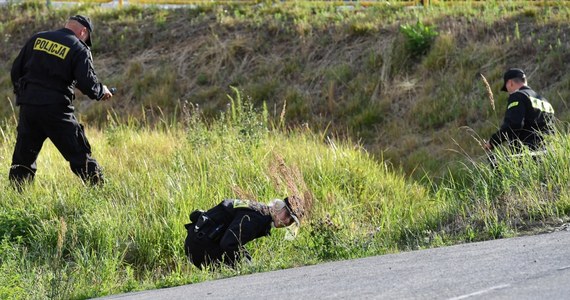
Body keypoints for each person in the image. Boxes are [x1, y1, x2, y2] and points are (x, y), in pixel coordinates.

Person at [9, 15, 113, 188]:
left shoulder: (38, 38)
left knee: (23, 159)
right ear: (83, 32)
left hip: (29, 107)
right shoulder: (79, 48)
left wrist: (24, 95)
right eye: (87, 38)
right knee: (79, 155)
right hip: (56, 111)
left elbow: (16, 70)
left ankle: (16, 196)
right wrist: (103, 91)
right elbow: (90, 85)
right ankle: (101, 192)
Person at [184, 196, 301, 269]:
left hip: (199, 241)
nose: (286, 221)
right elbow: (229, 243)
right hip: (201, 246)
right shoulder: (258, 218)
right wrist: (247, 266)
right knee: (249, 272)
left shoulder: (260, 211)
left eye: (291, 221)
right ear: (279, 206)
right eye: (287, 215)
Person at [485, 68, 555, 153]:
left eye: (506, 88)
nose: (508, 92)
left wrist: (492, 141)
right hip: (550, 152)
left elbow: (513, 124)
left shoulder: (517, 96)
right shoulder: (544, 101)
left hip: (529, 154)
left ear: (510, 83)